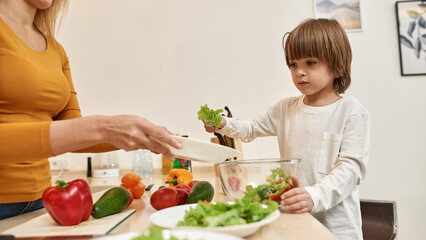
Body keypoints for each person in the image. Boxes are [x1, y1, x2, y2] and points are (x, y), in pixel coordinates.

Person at [0, 0, 182, 220]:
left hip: (44, 202)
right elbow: (82, 130)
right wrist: (103, 127)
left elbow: (71, 128)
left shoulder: (56, 50)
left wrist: (143, 135)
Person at [204, 18, 370, 239]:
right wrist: (224, 124)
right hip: (293, 219)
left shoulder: (351, 111)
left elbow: (351, 169)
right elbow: (251, 128)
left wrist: (314, 195)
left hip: (337, 229)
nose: (299, 72)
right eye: (293, 64)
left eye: (310, 63)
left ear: (337, 66)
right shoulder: (286, 109)